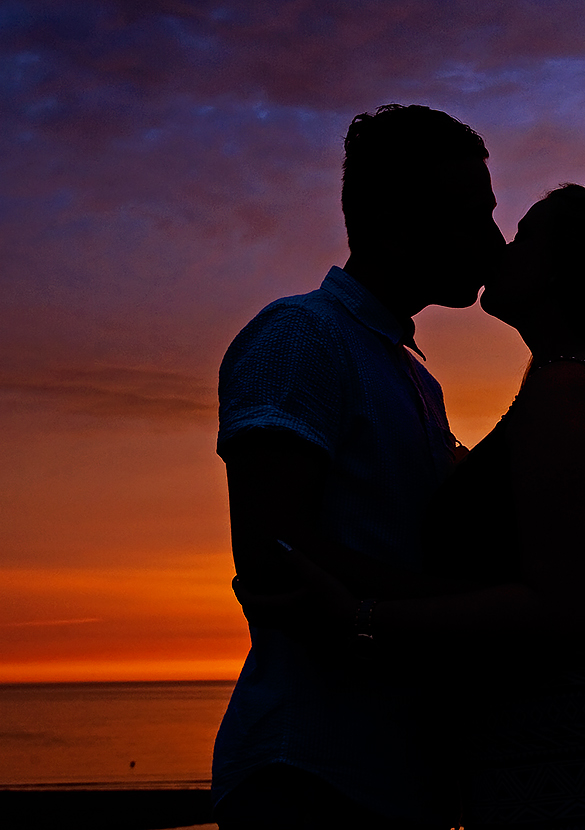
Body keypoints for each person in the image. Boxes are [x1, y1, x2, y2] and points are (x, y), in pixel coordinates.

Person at [260, 181, 585, 829]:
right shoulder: (577, 386)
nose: (499, 247)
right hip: (555, 746)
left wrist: (359, 616)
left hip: (574, 751)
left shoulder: (569, 391)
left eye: (523, 237)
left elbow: (556, 607)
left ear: (561, 270)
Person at [211, 104, 504, 829]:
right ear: (391, 226)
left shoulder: (408, 373)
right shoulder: (299, 337)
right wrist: (471, 607)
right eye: (470, 216)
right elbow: (272, 549)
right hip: (310, 776)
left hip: (391, 777)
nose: (494, 243)